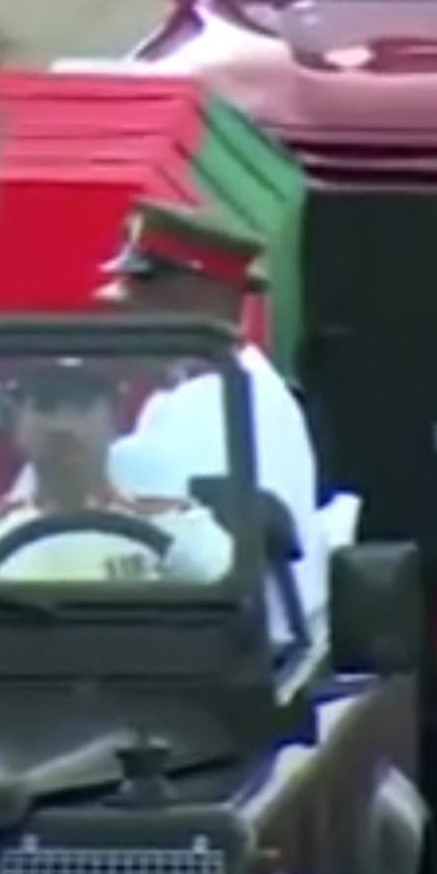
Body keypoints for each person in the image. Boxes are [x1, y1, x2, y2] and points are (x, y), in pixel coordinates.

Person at [93, 199, 330, 633]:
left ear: (195, 297)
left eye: (145, 291)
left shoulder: (227, 403)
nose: (125, 312)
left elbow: (170, 559)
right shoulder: (206, 387)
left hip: (232, 657)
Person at [0, 359, 233, 585]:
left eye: (81, 406)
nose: (62, 426)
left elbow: (236, 614)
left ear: (114, 419)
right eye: (46, 406)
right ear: (18, 423)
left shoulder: (176, 527)